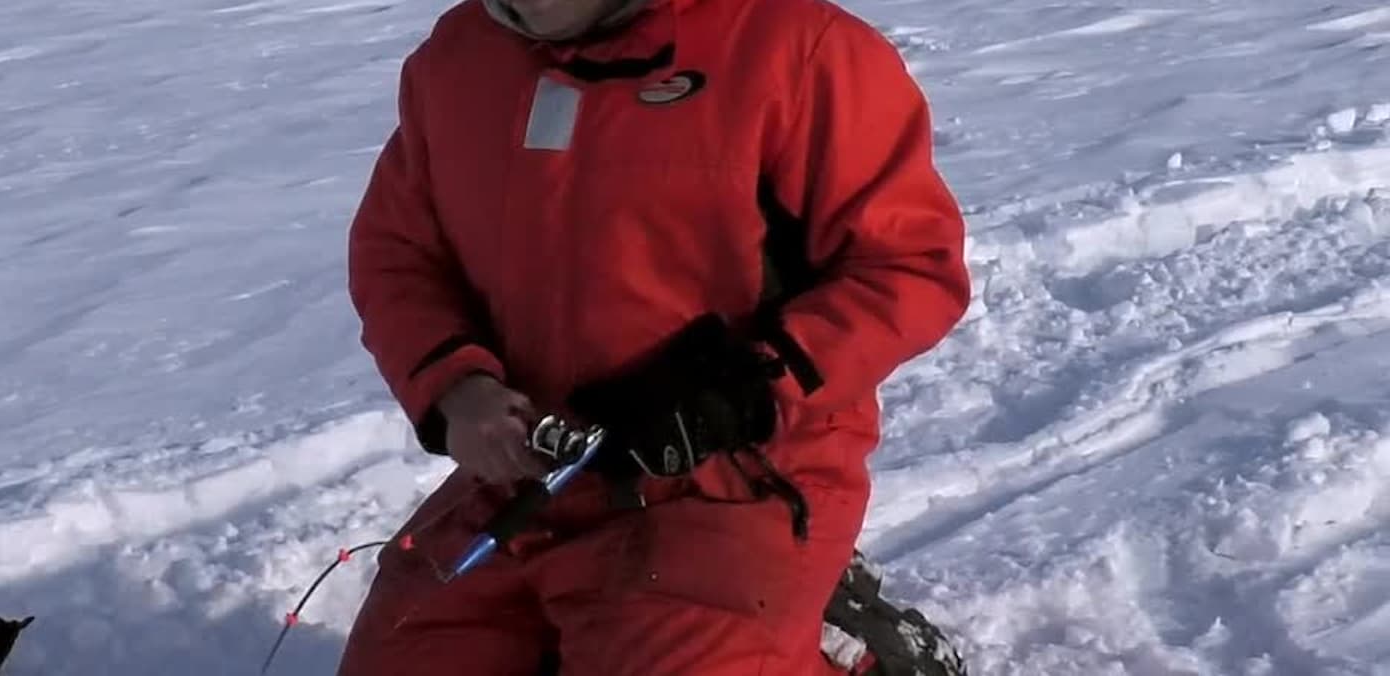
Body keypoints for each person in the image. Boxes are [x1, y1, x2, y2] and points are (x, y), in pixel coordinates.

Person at [339, 0, 972, 673]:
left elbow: (909, 266)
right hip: (526, 480)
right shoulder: (459, 57)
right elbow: (397, 253)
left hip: (730, 483)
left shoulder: (800, 50)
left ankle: (846, 652)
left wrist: (744, 388)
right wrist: (455, 387)